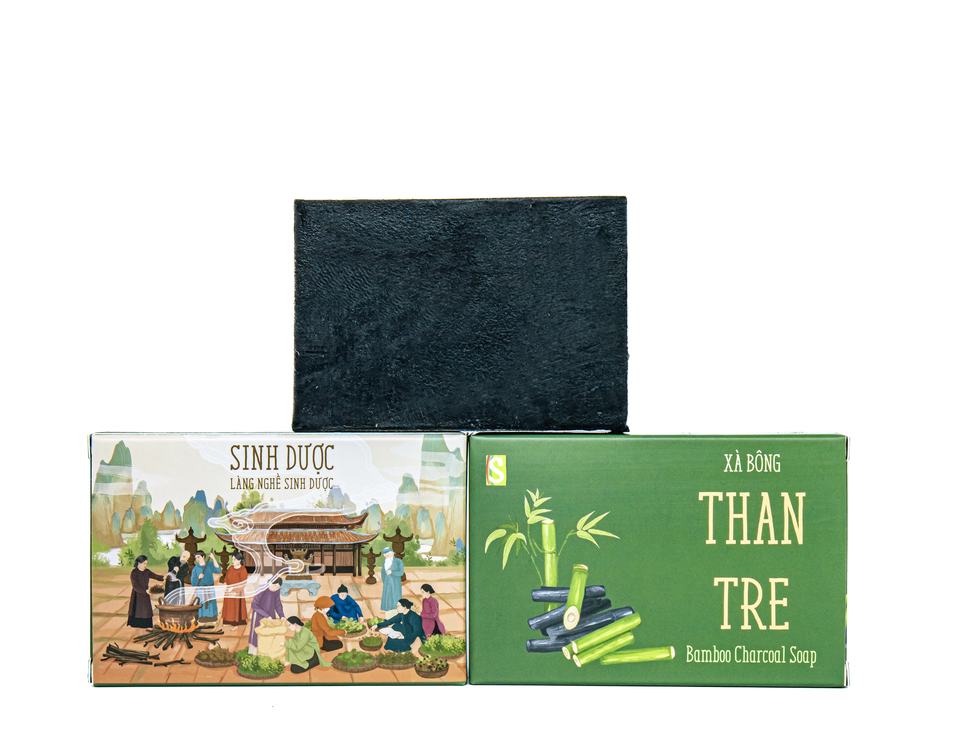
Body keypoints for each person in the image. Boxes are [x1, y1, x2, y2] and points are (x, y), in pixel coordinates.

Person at [248, 578, 284, 655]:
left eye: (278, 587)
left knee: (269, 633)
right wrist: (266, 616)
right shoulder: (262, 588)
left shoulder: (276, 590)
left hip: (270, 614)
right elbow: (254, 605)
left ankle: (266, 652)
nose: (276, 588)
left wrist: (282, 616)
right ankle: (253, 652)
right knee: (256, 633)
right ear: (271, 583)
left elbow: (277, 604)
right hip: (259, 614)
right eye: (275, 586)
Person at [127, 555, 163, 628]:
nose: (145, 565)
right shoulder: (134, 573)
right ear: (139, 563)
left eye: (146, 563)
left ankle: (146, 625)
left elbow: (156, 576)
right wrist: (145, 591)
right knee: (137, 610)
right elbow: (135, 586)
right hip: (137, 594)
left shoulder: (147, 571)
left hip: (146, 593)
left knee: (146, 611)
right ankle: (135, 624)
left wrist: (164, 577)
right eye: (144, 563)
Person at [190, 551, 221, 622]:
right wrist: (198, 578)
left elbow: (218, 570)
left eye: (198, 557)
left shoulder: (209, 564)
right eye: (196, 558)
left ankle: (212, 617)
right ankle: (202, 617)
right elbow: (193, 582)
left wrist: (213, 558)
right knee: (202, 603)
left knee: (211, 603)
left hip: (210, 588)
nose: (197, 559)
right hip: (201, 589)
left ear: (203, 557)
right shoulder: (195, 568)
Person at [221, 551, 248, 626]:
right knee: (229, 607)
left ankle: (236, 621)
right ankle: (228, 620)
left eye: (234, 559)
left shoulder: (243, 570)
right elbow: (226, 578)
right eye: (232, 559)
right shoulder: (230, 568)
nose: (233, 561)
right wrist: (225, 584)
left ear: (239, 560)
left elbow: (243, 584)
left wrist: (233, 588)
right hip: (229, 591)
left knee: (236, 607)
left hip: (237, 592)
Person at [379, 548, 404, 615]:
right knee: (387, 595)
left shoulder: (398, 561)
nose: (387, 555)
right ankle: (386, 609)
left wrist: (392, 572)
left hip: (395, 582)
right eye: (385, 554)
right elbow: (383, 573)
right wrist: (384, 581)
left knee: (395, 595)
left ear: (392, 553)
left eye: (389, 553)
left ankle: (396, 610)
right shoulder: (384, 562)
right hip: (387, 581)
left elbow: (401, 572)